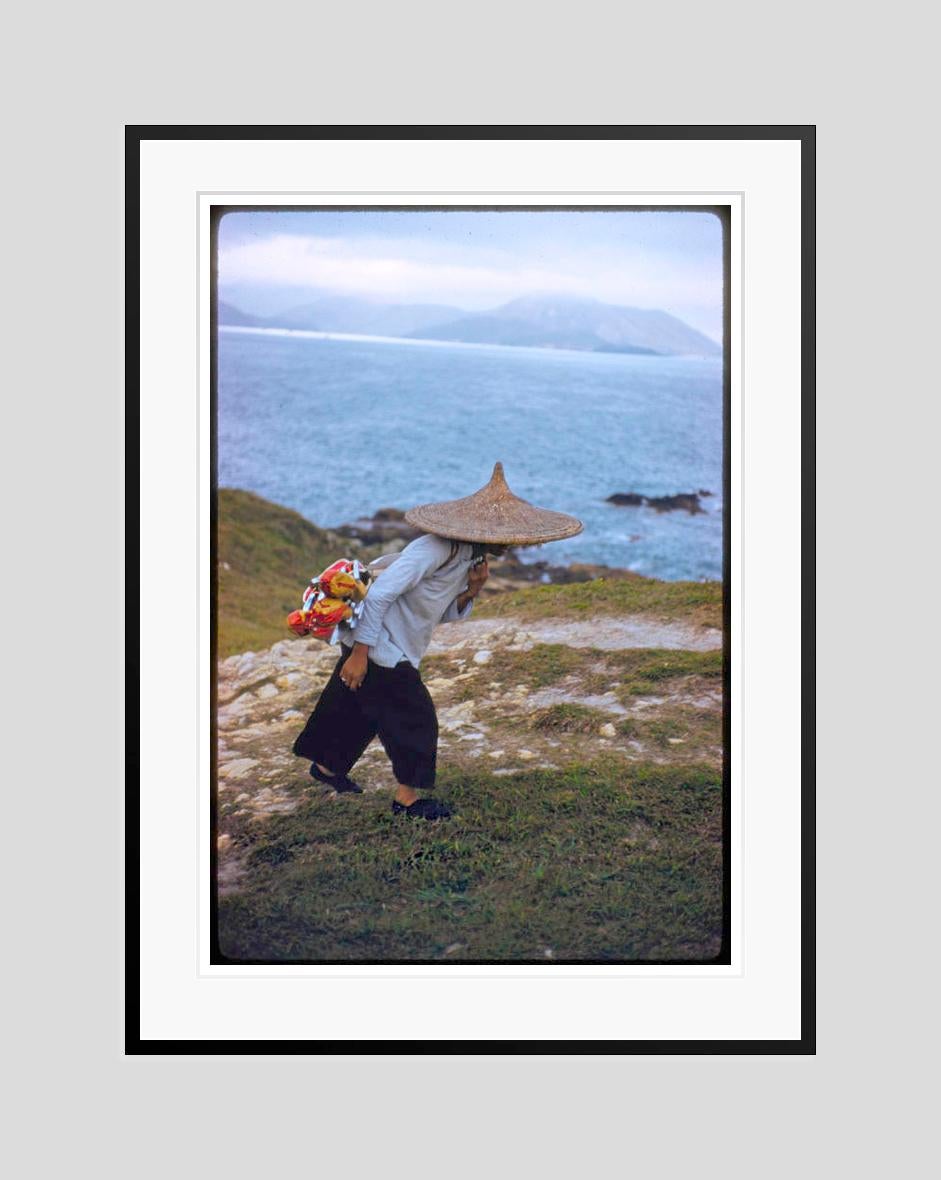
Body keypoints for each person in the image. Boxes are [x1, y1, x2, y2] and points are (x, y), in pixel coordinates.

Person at [292, 462, 583, 820]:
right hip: (380, 640)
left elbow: (436, 611)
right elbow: (381, 595)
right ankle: (407, 800)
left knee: (358, 706)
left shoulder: (469, 556)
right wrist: (361, 654)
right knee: (416, 716)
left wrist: (472, 590)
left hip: (385, 639)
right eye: (508, 534)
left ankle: (327, 768)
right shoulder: (433, 549)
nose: (511, 542)